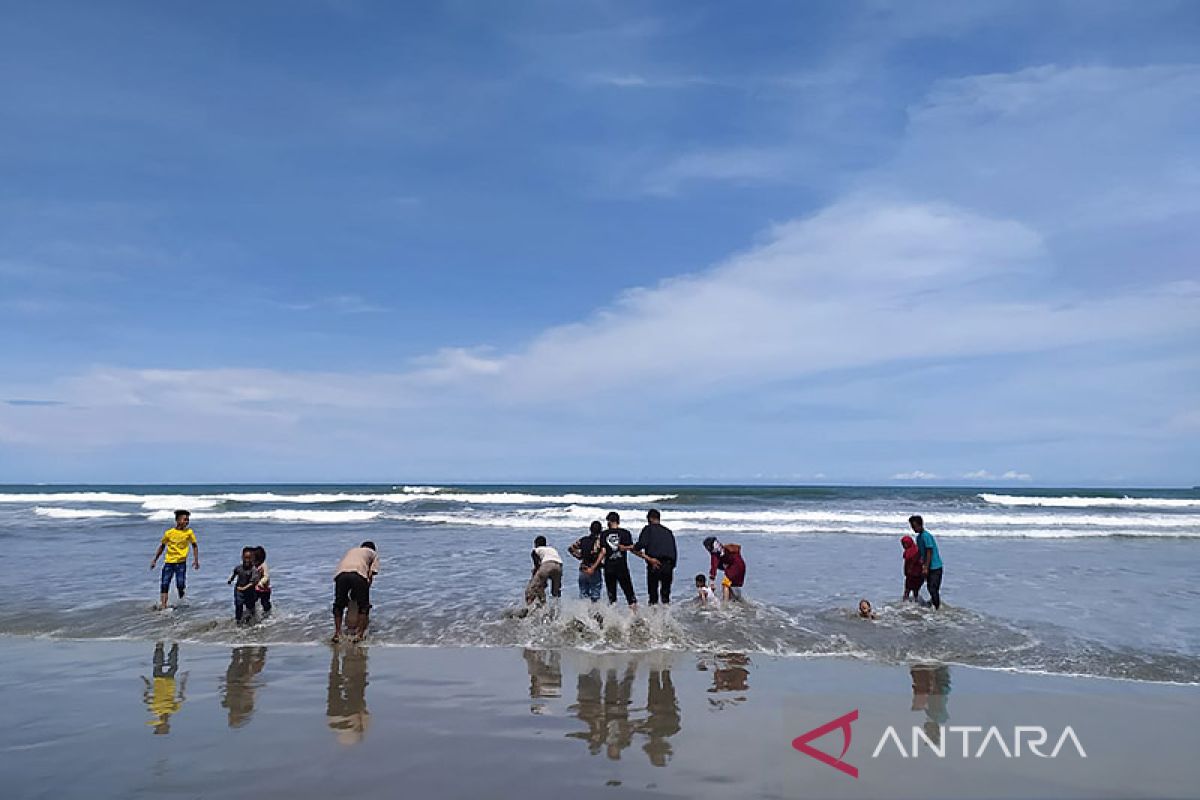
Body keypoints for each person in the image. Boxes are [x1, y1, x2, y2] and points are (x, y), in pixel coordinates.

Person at [150, 510, 200, 610]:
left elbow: (194, 546)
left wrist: (196, 560)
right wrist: (155, 560)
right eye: (185, 519)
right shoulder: (169, 533)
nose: (187, 522)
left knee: (180, 584)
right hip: (169, 562)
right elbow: (162, 547)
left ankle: (181, 601)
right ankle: (164, 606)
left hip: (181, 563)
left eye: (188, 520)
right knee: (165, 583)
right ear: (178, 520)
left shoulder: (189, 532)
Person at [332, 541, 378, 642]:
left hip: (340, 575)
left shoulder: (352, 551)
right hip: (358, 574)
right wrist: (364, 594)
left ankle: (337, 633)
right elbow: (370, 574)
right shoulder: (373, 554)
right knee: (364, 606)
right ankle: (359, 635)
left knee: (339, 604)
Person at [631, 509, 677, 605]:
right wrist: (671, 567)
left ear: (650, 519)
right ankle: (666, 617)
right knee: (665, 596)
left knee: (653, 596)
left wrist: (634, 547)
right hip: (668, 565)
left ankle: (654, 617)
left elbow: (641, 545)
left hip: (654, 564)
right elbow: (674, 551)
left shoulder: (648, 529)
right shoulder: (668, 532)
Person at [600, 512, 637, 608]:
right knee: (630, 594)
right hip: (622, 567)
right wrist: (625, 548)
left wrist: (594, 565)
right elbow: (632, 547)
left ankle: (612, 619)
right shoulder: (625, 533)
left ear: (608, 521)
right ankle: (635, 617)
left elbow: (603, 551)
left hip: (608, 568)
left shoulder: (604, 534)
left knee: (612, 596)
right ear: (618, 521)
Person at [909, 515, 944, 609]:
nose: (913, 529)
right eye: (912, 527)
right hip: (927, 566)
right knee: (929, 587)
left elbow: (929, 551)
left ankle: (937, 609)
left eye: (914, 526)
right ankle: (932, 604)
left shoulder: (926, 536)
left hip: (935, 567)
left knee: (933, 589)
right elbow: (921, 553)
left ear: (920, 525)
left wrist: (926, 567)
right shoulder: (919, 537)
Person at [568, 521, 606, 602]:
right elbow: (603, 553)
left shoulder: (583, 540)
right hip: (594, 569)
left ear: (590, 529)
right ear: (601, 530)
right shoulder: (599, 542)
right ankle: (594, 613)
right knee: (595, 595)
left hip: (583, 568)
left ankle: (583, 612)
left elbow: (571, 548)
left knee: (583, 594)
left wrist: (579, 556)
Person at [702, 537, 746, 602]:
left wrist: (712, 580)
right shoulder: (723, 548)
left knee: (725, 584)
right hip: (741, 566)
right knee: (729, 585)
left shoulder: (715, 553)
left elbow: (714, 566)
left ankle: (725, 605)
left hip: (734, 568)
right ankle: (735, 599)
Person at [526, 535, 563, 605]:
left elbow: (537, 566)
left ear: (536, 544)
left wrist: (534, 574)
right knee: (556, 592)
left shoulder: (536, 550)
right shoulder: (552, 549)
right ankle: (557, 610)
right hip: (559, 566)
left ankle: (532, 607)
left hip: (547, 565)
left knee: (533, 589)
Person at [228, 547, 260, 624]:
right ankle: (238, 621)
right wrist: (231, 580)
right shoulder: (238, 568)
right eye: (245, 558)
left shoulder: (254, 570)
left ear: (252, 558)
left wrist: (244, 588)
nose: (247, 560)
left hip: (250, 591)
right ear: (242, 557)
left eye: (249, 558)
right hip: (239, 590)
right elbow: (234, 573)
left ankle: (252, 622)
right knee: (238, 605)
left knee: (250, 608)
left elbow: (253, 582)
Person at [901, 535, 924, 602]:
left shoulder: (911, 552)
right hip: (914, 575)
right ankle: (915, 604)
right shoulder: (916, 550)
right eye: (903, 544)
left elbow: (909, 564)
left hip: (915, 575)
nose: (904, 546)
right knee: (913, 591)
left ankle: (905, 603)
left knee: (908, 591)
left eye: (905, 543)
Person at [253, 546, 272, 617]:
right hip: (256, 588)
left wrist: (261, 582)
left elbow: (266, 576)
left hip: (264, 589)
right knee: (252, 601)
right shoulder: (253, 565)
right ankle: (253, 613)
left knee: (265, 603)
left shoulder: (263, 565)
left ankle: (268, 614)